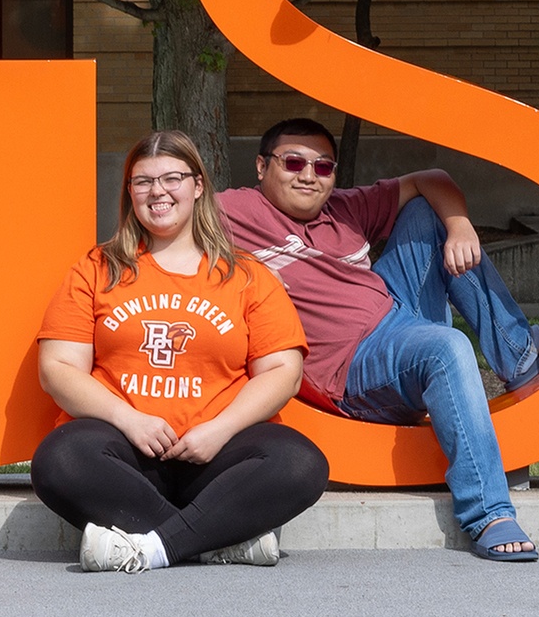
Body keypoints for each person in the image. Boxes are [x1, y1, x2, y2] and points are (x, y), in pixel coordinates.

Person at [218, 117, 539, 562]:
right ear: (261, 167)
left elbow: (433, 179)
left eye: (323, 167)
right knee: (449, 349)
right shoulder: (234, 212)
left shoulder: (345, 209)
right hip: (354, 367)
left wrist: (461, 225)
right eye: (293, 163)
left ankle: (517, 353)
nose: (309, 175)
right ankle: (488, 512)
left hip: (396, 313)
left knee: (427, 212)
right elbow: (172, 211)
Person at [33, 131, 331, 573]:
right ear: (130, 192)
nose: (158, 191)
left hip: (217, 454)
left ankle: (153, 549)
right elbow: (57, 369)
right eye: (143, 181)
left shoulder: (247, 275)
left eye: (172, 178)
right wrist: (129, 420)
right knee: (60, 458)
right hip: (126, 453)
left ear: (197, 186)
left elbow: (283, 372)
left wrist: (219, 430)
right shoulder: (96, 269)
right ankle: (215, 541)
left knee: (300, 462)